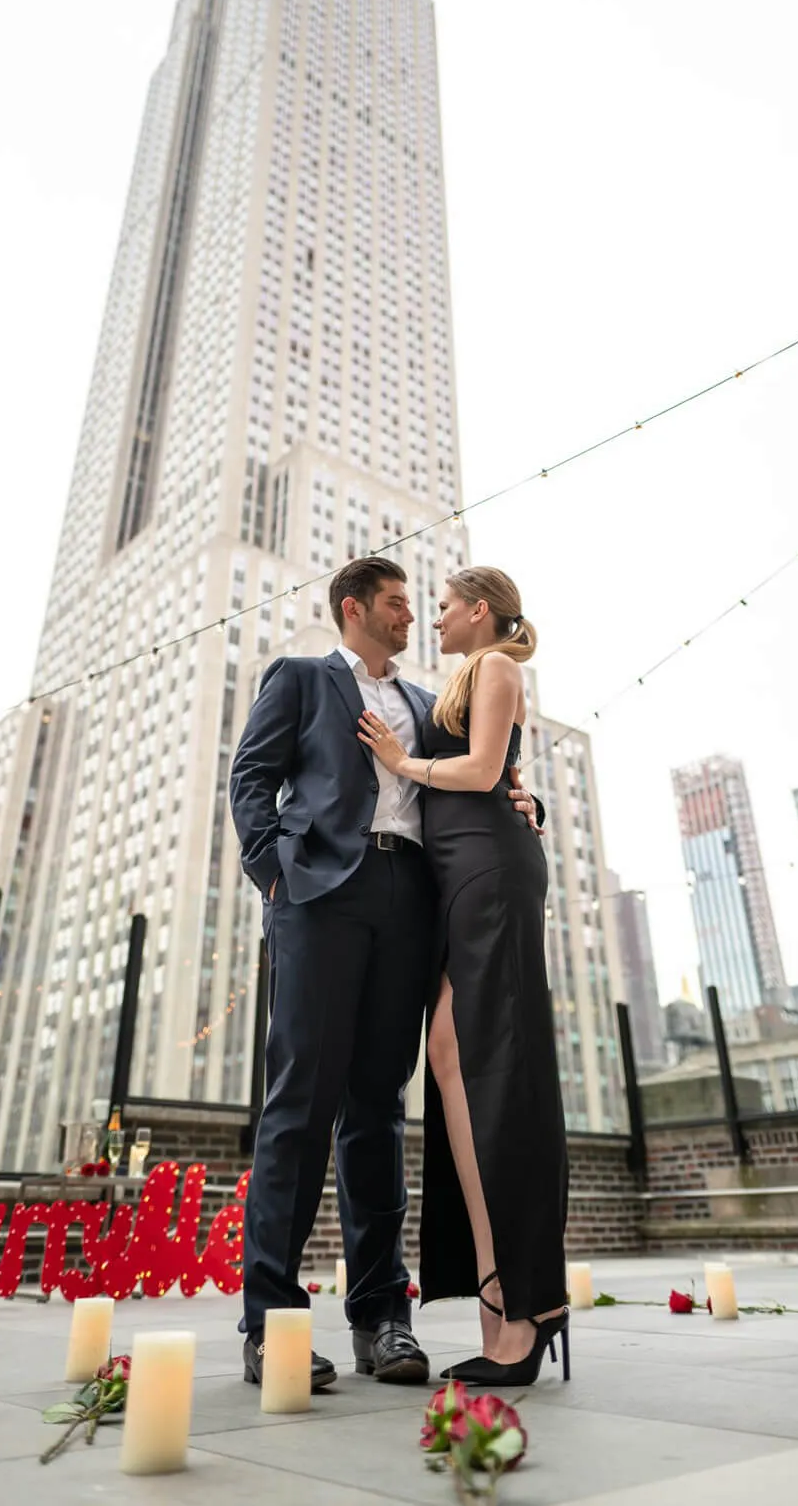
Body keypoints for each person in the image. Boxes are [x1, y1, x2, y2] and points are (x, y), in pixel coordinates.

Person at [229, 557, 539, 1391]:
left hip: (408, 902)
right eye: (400, 603)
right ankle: (274, 1324)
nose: (414, 615)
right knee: (300, 1103)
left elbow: (480, 767)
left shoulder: (426, 701)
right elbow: (251, 777)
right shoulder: (299, 679)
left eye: (420, 604)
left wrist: (525, 801)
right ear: (354, 607)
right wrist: (274, 875)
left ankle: (381, 1317)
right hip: (320, 898)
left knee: (378, 1112)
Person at [356, 565, 570, 1387]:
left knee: (494, 1071)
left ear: (479, 611)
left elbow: (484, 771)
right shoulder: (462, 677)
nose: (434, 616)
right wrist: (525, 796)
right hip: (463, 877)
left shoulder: (498, 665)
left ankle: (520, 1307)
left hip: (489, 875)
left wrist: (405, 764)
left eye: (443, 604)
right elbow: (503, 774)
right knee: (448, 1053)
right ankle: (501, 1284)